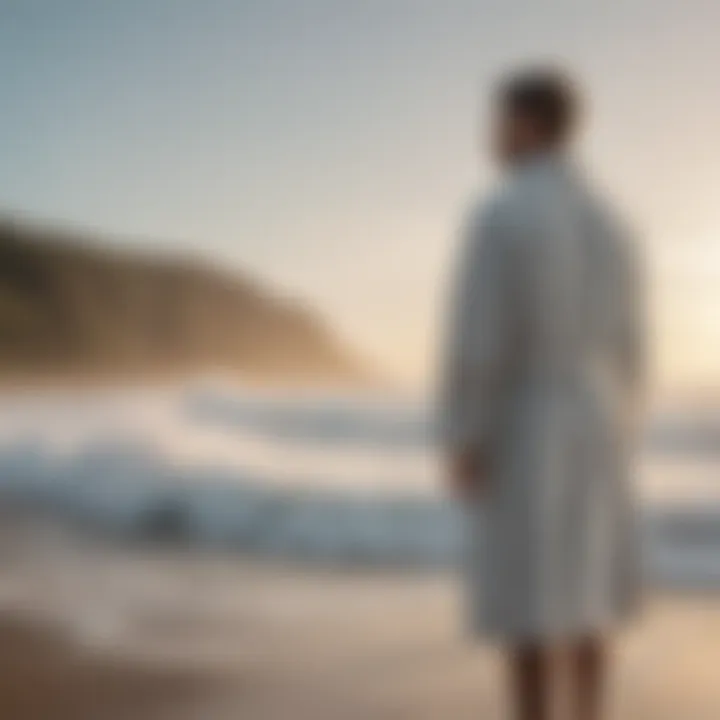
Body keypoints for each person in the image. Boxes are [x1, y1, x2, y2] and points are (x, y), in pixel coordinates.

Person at [440, 68, 646, 720]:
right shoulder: (614, 222)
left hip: (529, 416)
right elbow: (636, 347)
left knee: (527, 602)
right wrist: (625, 424)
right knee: (590, 596)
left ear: (530, 123)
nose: (490, 137)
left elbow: (481, 336)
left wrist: (465, 434)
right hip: (600, 413)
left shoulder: (504, 213)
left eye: (498, 120)